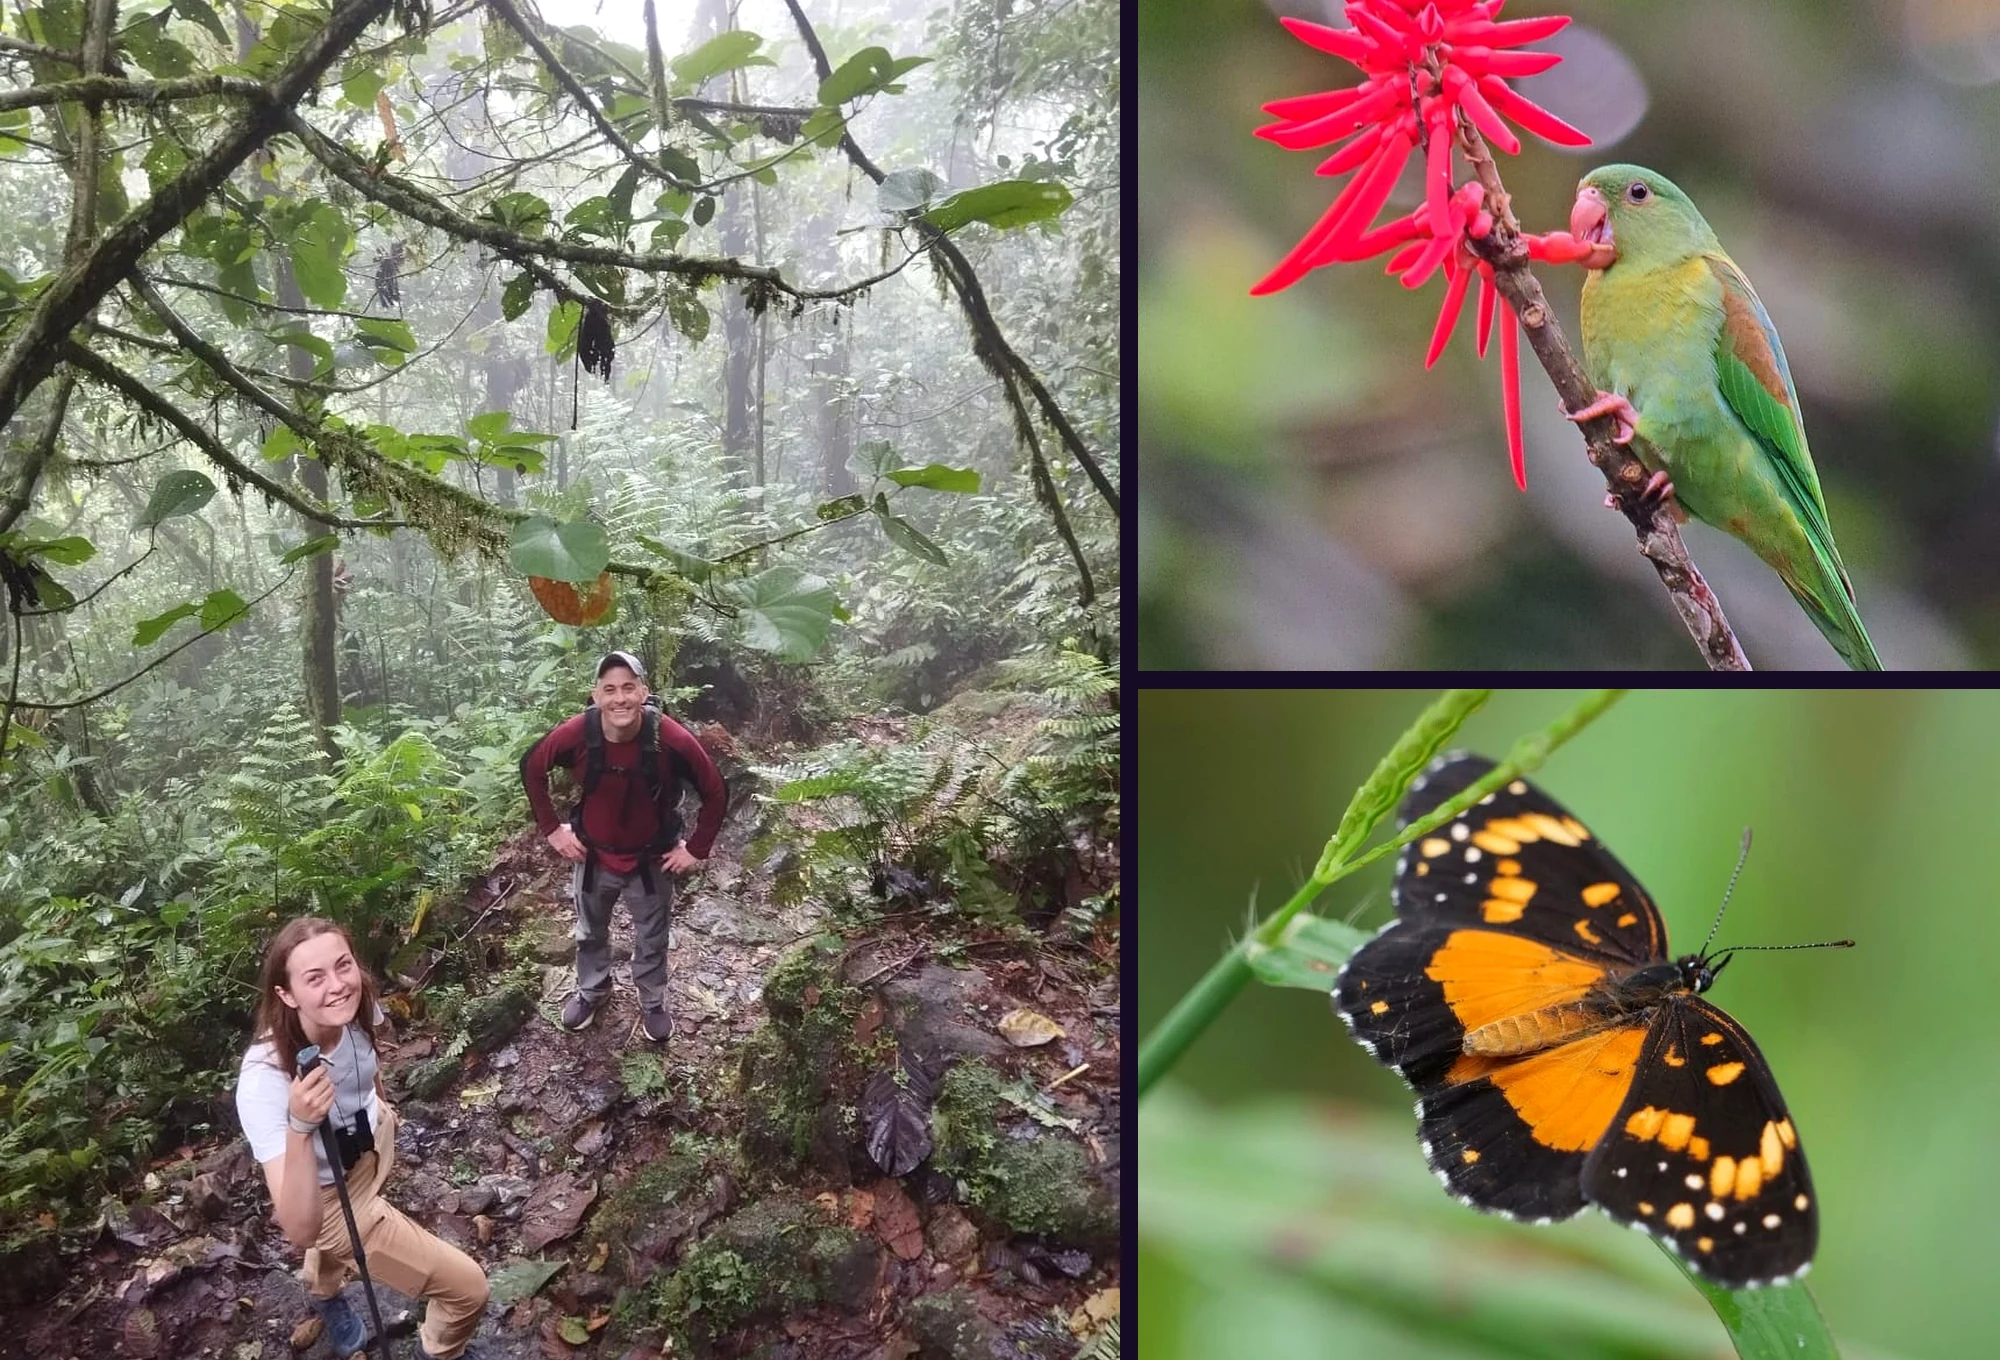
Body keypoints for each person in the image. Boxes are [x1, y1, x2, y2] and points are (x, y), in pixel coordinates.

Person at [235, 917, 490, 1360]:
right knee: (468, 1290)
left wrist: (383, 1109)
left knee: (339, 1246)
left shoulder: (357, 1002)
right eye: (314, 978)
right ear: (287, 994)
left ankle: (323, 1291)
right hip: (327, 1198)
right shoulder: (264, 1081)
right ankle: (441, 1352)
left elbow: (366, 1061)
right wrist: (300, 1125)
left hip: (370, 1144)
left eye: (343, 965)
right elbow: (301, 1229)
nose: (337, 986)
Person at [520, 649, 726, 1042]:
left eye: (629, 688)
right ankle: (592, 991)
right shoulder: (578, 732)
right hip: (592, 855)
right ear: (596, 695)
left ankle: (652, 1001)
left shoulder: (670, 737)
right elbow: (531, 767)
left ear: (643, 693)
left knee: (653, 936)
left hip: (651, 860)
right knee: (589, 932)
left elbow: (715, 789)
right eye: (610, 689)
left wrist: (696, 848)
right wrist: (552, 830)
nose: (620, 698)